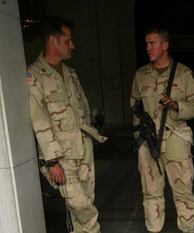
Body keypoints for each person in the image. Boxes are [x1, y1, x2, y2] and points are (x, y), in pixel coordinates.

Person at [26, 16, 106, 233]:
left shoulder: (70, 74)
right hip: (60, 156)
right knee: (80, 204)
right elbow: (38, 118)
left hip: (82, 148)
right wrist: (52, 161)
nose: (73, 45)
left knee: (86, 200)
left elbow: (84, 108)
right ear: (54, 41)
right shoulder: (34, 76)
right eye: (68, 40)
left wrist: (88, 136)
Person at [130, 27, 194, 233]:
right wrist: (139, 136)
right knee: (151, 192)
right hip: (148, 142)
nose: (148, 47)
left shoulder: (184, 74)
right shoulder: (141, 75)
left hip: (176, 140)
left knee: (183, 192)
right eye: (146, 43)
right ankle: (154, 229)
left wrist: (176, 106)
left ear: (165, 45)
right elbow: (135, 106)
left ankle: (187, 229)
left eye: (152, 43)